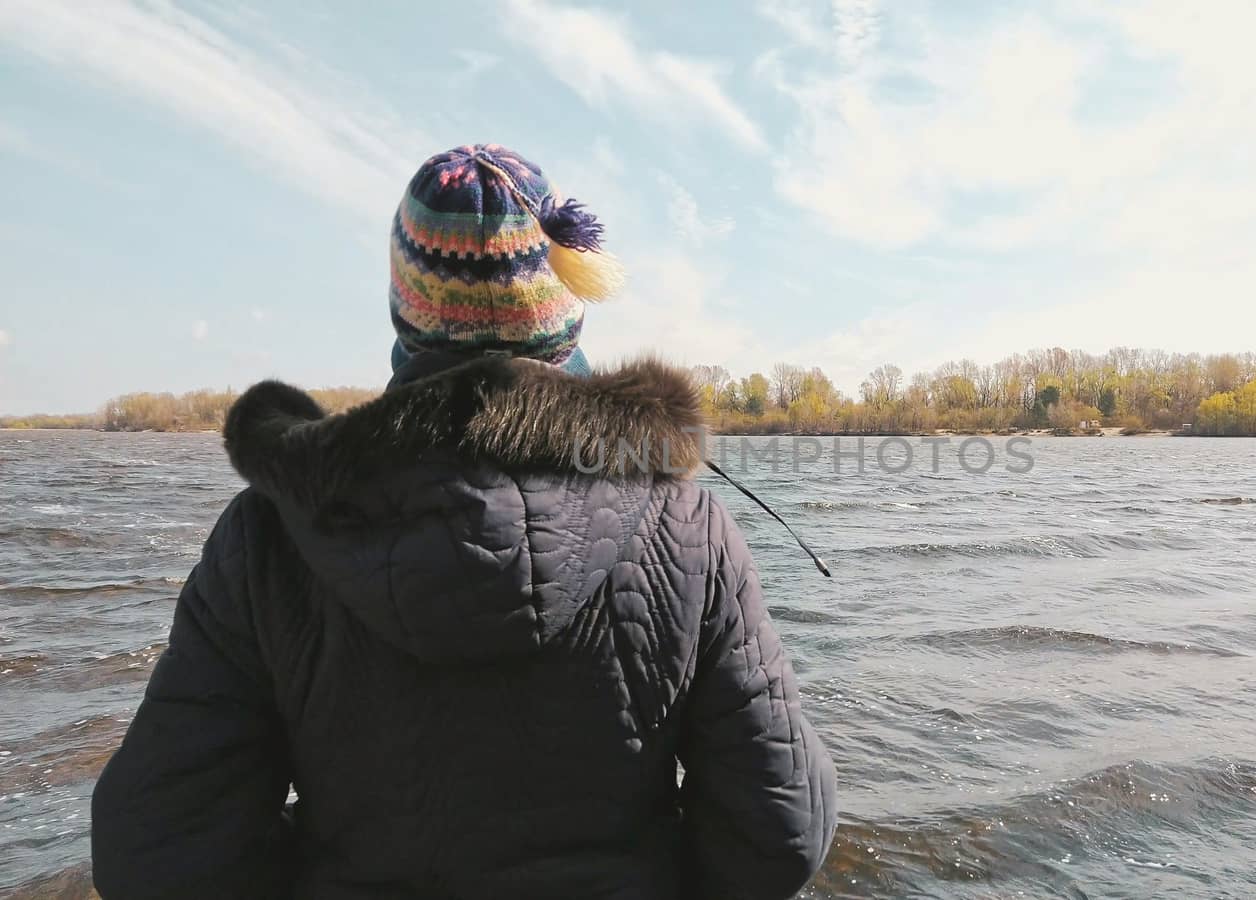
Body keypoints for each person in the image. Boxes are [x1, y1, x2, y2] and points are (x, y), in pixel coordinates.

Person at [90, 144, 838, 899]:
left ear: (407, 312)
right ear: (566, 306)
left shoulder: (268, 533)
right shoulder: (688, 528)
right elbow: (779, 830)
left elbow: (157, 851)